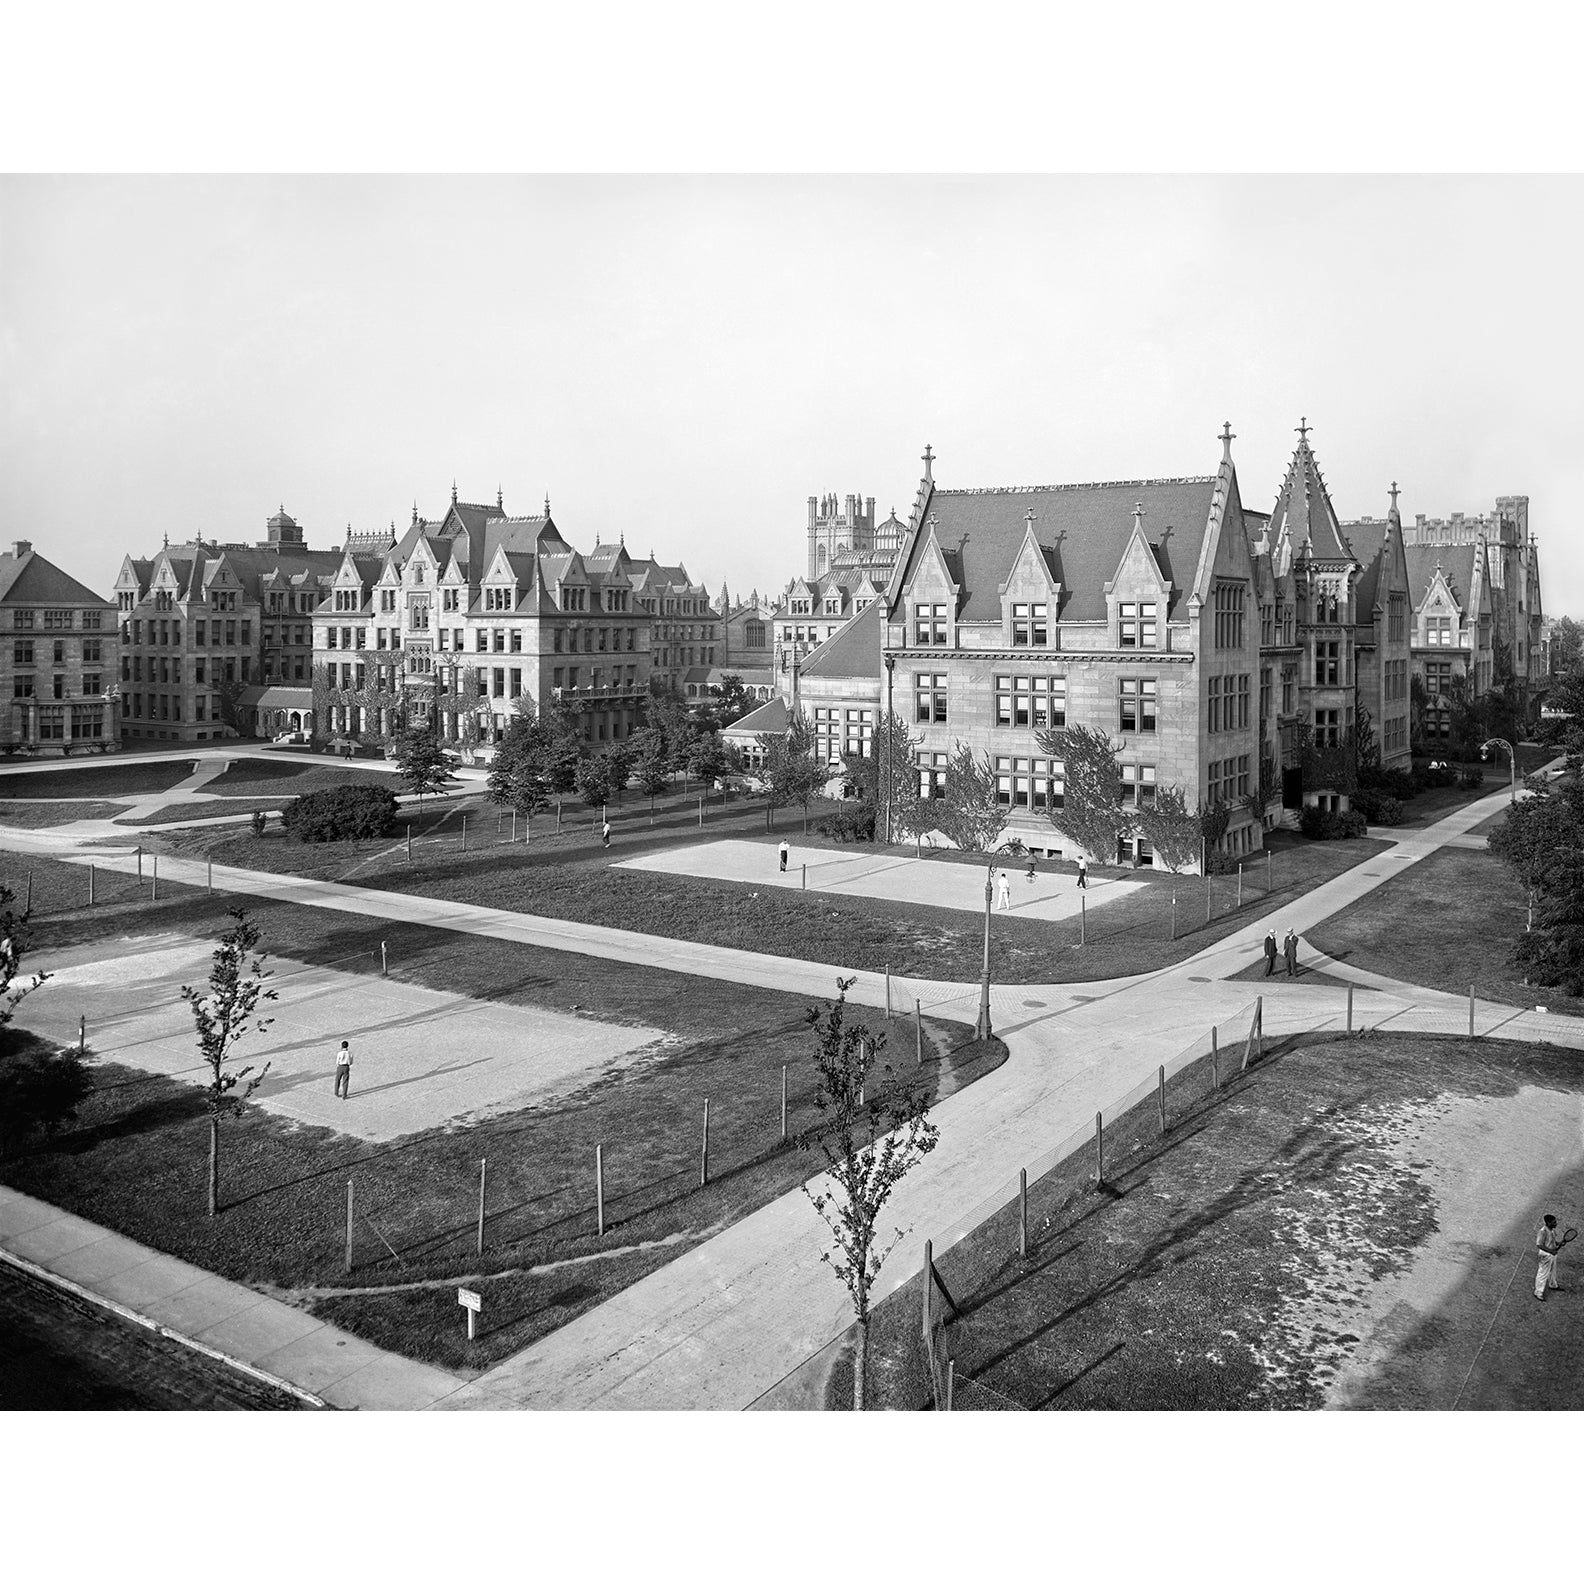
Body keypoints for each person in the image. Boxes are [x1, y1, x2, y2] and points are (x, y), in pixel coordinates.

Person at [1536, 1214, 1563, 1300]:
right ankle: (1538, 1292)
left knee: (1553, 1271)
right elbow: (1539, 1244)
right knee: (1543, 1273)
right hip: (1545, 1255)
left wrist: (1559, 1243)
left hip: (1552, 1254)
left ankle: (1553, 1285)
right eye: (1554, 1222)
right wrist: (1551, 1251)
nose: (1556, 1224)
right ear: (1548, 1223)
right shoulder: (1543, 1231)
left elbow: (1552, 1241)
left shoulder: (1552, 1230)